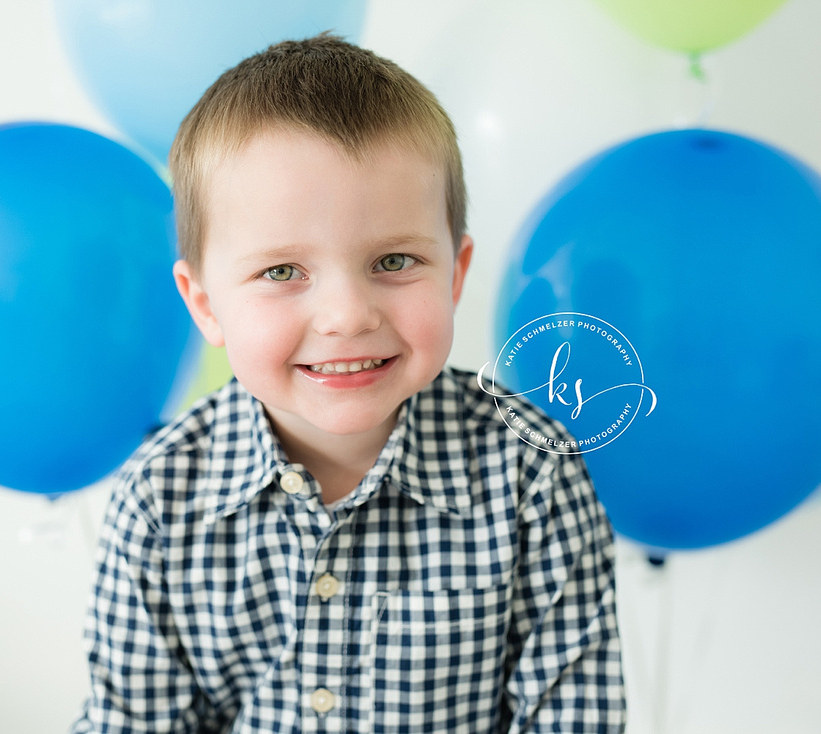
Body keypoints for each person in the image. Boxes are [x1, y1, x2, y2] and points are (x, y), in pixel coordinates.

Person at [72, 33, 625, 733]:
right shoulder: (160, 499)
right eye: (281, 272)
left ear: (454, 274)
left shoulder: (532, 475)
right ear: (206, 303)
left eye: (394, 260)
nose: (345, 315)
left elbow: (573, 717)